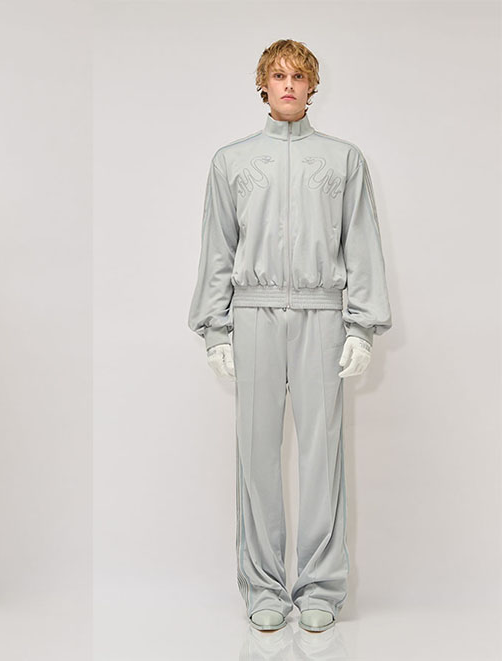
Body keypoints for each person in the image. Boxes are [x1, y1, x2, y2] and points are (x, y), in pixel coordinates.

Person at [188, 39, 392, 633]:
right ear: (263, 84)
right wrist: (215, 329)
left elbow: (361, 243)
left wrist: (362, 326)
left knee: (321, 454)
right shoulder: (230, 162)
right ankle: (263, 586)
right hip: (252, 314)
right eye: (278, 75)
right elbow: (217, 248)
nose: (288, 85)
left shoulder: (343, 159)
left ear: (312, 87)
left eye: (298, 76)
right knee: (256, 454)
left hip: (321, 315)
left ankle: (321, 586)